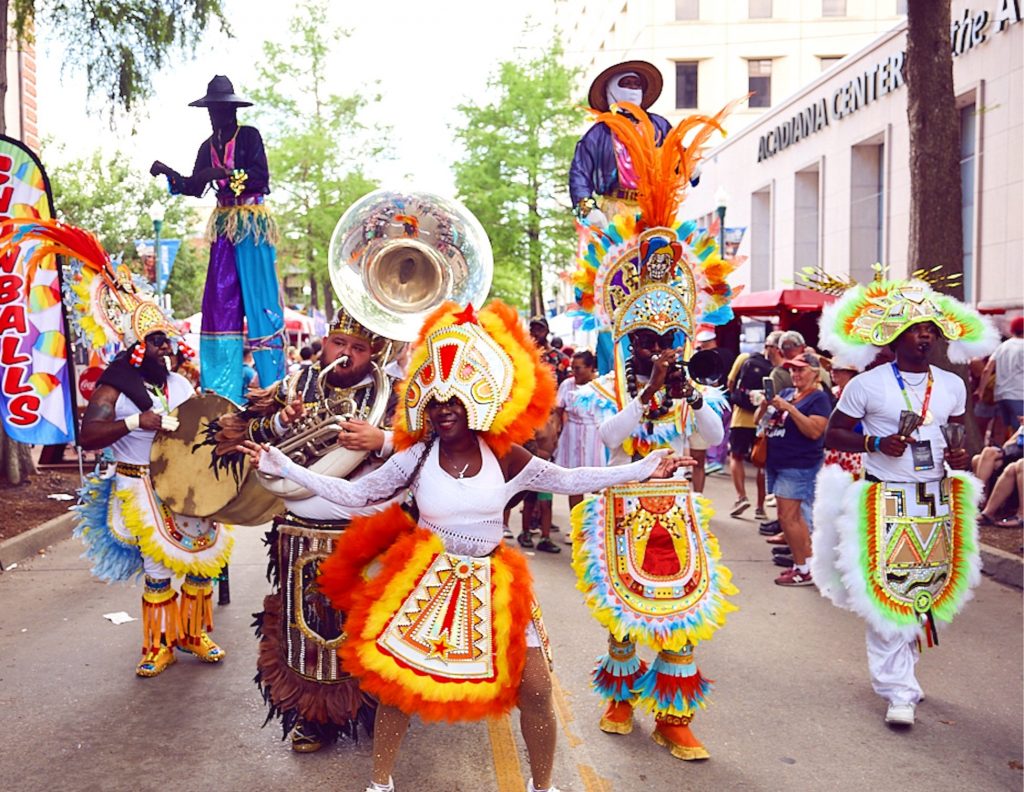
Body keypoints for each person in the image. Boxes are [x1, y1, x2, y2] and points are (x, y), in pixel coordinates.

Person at [237, 300, 689, 792]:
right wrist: (286, 468)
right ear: (424, 407)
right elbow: (355, 493)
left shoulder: (507, 456)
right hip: (430, 580)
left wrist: (642, 469)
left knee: (536, 689)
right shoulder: (415, 457)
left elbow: (572, 477)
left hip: (497, 580)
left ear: (477, 403)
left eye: (455, 401)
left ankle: (543, 788)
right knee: (397, 688)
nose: (445, 411)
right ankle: (381, 783)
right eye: (436, 403)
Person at [568, 100, 739, 761]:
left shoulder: (690, 384)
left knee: (681, 625)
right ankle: (618, 696)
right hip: (621, 511)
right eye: (646, 337)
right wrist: (644, 395)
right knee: (622, 622)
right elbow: (609, 439)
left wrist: (687, 394)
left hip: (676, 511)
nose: (659, 347)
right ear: (626, 337)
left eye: (669, 337)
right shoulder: (609, 383)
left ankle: (674, 719)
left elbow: (709, 441)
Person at [207, 308, 399, 752]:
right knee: (307, 624)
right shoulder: (296, 385)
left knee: (366, 624)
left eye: (358, 348)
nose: (346, 355)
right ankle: (314, 717)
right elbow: (240, 437)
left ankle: (371, 708)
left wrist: (379, 440)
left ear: (375, 354)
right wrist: (278, 424)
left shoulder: (391, 396)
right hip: (299, 527)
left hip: (362, 527)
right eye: (339, 344)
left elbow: (419, 450)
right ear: (325, 342)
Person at [812, 274, 998, 727]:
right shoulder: (867, 385)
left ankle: (904, 673)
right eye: (917, 329)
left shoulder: (951, 384)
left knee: (923, 596)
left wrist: (960, 456)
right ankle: (897, 690)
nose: (926, 335)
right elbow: (833, 434)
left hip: (935, 500)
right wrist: (876, 444)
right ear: (895, 337)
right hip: (884, 501)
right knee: (887, 596)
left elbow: (963, 437)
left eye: (931, 329)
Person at [76, 318, 232, 677]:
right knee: (157, 568)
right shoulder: (112, 389)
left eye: (167, 340)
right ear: (135, 347)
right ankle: (160, 644)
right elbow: (88, 436)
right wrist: (135, 423)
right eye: (156, 340)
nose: (166, 347)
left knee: (202, 559)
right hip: (141, 485)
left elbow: (200, 426)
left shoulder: (178, 383)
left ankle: (193, 634)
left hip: (186, 483)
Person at [151, 75, 285, 403]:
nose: (216, 115)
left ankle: (275, 387)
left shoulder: (249, 137)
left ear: (232, 110)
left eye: (220, 109)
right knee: (219, 302)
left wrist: (224, 175)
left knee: (261, 301)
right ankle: (220, 393)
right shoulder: (206, 146)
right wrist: (169, 173)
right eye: (211, 109)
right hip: (223, 227)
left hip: (251, 224)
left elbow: (261, 178)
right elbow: (194, 186)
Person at [754, 352, 831, 586]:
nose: (795, 374)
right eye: (792, 370)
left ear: (815, 373)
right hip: (778, 462)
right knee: (788, 518)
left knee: (790, 518)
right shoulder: (788, 393)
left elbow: (815, 431)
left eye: (801, 370)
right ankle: (803, 565)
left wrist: (791, 408)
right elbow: (760, 420)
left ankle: (805, 568)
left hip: (799, 464)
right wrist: (766, 404)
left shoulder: (818, 398)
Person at [553, 351, 604, 530]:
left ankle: (597, 527)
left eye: (578, 368)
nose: (574, 372)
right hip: (572, 434)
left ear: (591, 368)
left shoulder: (601, 386)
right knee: (574, 483)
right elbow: (558, 411)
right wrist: (555, 432)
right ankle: (577, 527)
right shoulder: (567, 385)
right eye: (572, 368)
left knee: (597, 482)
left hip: (594, 436)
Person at [726, 343, 773, 520]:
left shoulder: (744, 358)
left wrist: (738, 399)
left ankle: (741, 497)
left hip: (740, 419)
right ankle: (760, 508)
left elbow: (731, 382)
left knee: (736, 457)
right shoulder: (774, 367)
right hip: (761, 421)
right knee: (760, 463)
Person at [976, 316, 1024, 444]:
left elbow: (987, 370)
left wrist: (981, 390)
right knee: (1019, 431)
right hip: (1019, 395)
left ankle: (1003, 457)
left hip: (1001, 396)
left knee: (1003, 431)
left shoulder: (1002, 347)